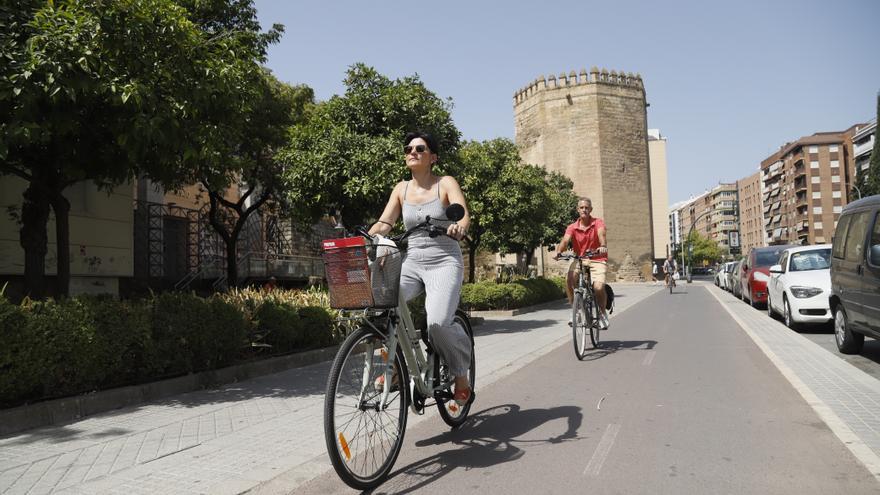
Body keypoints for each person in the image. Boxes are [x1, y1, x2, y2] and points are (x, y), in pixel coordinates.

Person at [368, 131, 473, 406]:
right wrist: (368, 239)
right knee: (382, 304)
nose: (412, 152)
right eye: (408, 148)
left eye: (420, 148)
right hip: (412, 261)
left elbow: (462, 211)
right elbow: (385, 223)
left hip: (444, 262)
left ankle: (461, 371)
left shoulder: (445, 183)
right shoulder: (400, 189)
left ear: (433, 157)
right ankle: (394, 369)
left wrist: (459, 226)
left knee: (437, 323)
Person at [553, 198, 610, 330]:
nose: (584, 209)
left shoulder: (598, 223)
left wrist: (602, 246)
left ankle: (602, 314)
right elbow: (565, 240)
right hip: (580, 258)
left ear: (590, 209)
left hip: (597, 258)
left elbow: (602, 235)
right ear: (578, 210)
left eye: (586, 207)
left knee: (598, 287)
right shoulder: (572, 227)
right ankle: (577, 310)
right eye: (581, 207)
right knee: (569, 279)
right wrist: (558, 251)